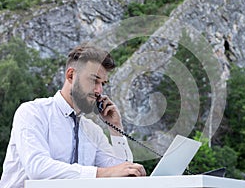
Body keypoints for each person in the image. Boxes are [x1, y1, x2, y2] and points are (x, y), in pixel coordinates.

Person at [0, 43, 146, 188]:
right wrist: (101, 173)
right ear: (71, 75)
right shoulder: (32, 112)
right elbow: (38, 168)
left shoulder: (93, 131)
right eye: (94, 80)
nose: (99, 90)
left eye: (103, 84)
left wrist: (116, 128)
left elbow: (124, 174)